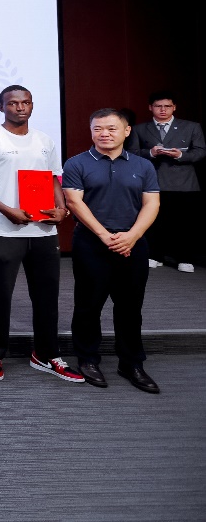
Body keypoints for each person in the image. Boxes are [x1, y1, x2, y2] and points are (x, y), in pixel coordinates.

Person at [0, 86, 83, 383]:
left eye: (25, 102)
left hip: (44, 231)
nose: (20, 107)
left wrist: (62, 208)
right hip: (4, 229)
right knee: (0, 295)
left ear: (32, 105)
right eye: (13, 103)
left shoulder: (44, 140)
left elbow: (52, 178)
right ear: (1, 107)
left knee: (47, 296)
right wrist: (7, 210)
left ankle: (46, 354)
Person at [63, 108, 161, 393]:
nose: (104, 134)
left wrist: (132, 236)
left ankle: (131, 363)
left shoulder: (143, 165)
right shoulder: (77, 163)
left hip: (133, 244)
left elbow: (152, 204)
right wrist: (105, 236)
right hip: (91, 244)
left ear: (127, 131)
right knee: (88, 305)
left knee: (130, 307)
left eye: (111, 128)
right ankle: (87, 359)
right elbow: (74, 202)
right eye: (97, 129)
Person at [132, 91, 205, 272]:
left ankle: (185, 258)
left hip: (184, 182)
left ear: (174, 107)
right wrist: (150, 153)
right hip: (153, 181)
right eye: (158, 106)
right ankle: (154, 255)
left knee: (184, 223)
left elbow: (200, 151)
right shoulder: (140, 129)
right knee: (154, 220)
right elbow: (132, 153)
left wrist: (180, 155)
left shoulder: (191, 127)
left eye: (167, 106)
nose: (163, 110)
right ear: (151, 108)